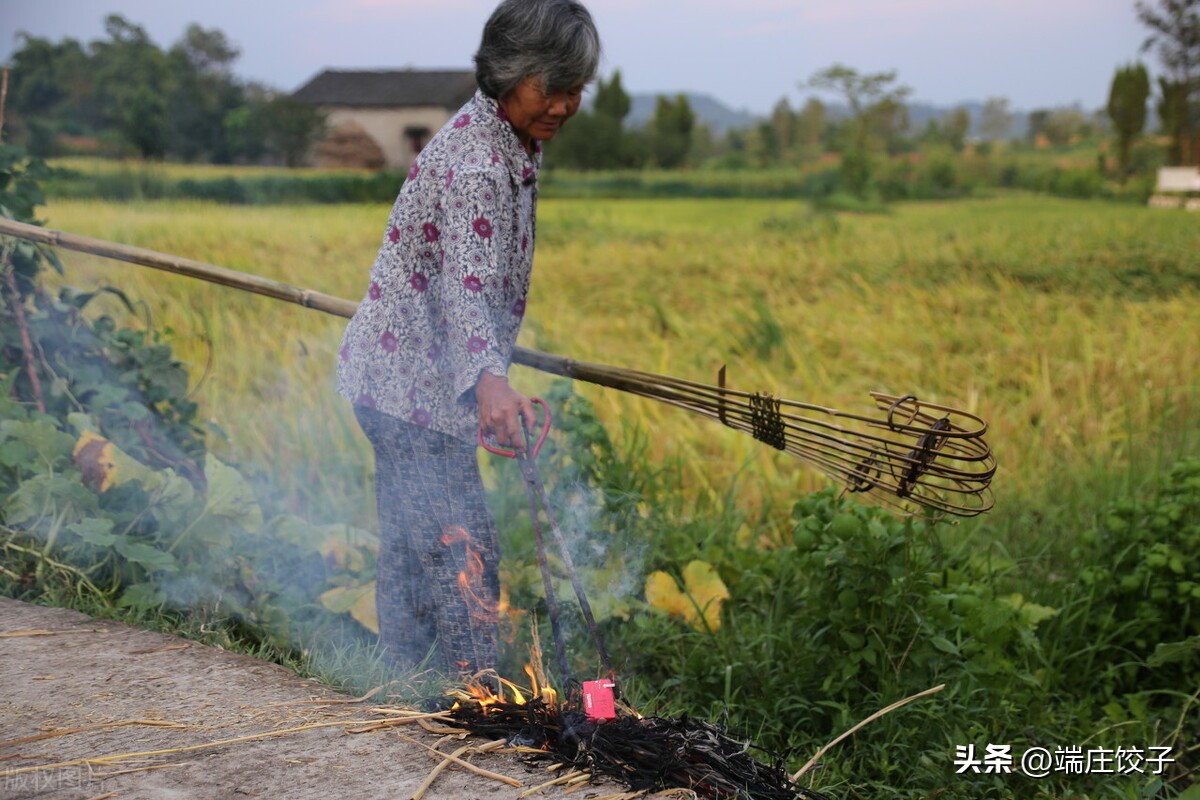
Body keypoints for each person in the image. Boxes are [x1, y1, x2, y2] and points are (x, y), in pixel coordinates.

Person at [336, 0, 599, 674]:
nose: (567, 105)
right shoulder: (478, 163)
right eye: (555, 86)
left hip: (399, 383)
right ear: (510, 74)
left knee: (410, 543)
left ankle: (403, 687)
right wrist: (490, 379)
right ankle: (474, 694)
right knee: (463, 547)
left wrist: (488, 374)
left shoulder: (514, 138)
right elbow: (465, 286)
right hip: (410, 390)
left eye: (578, 88)